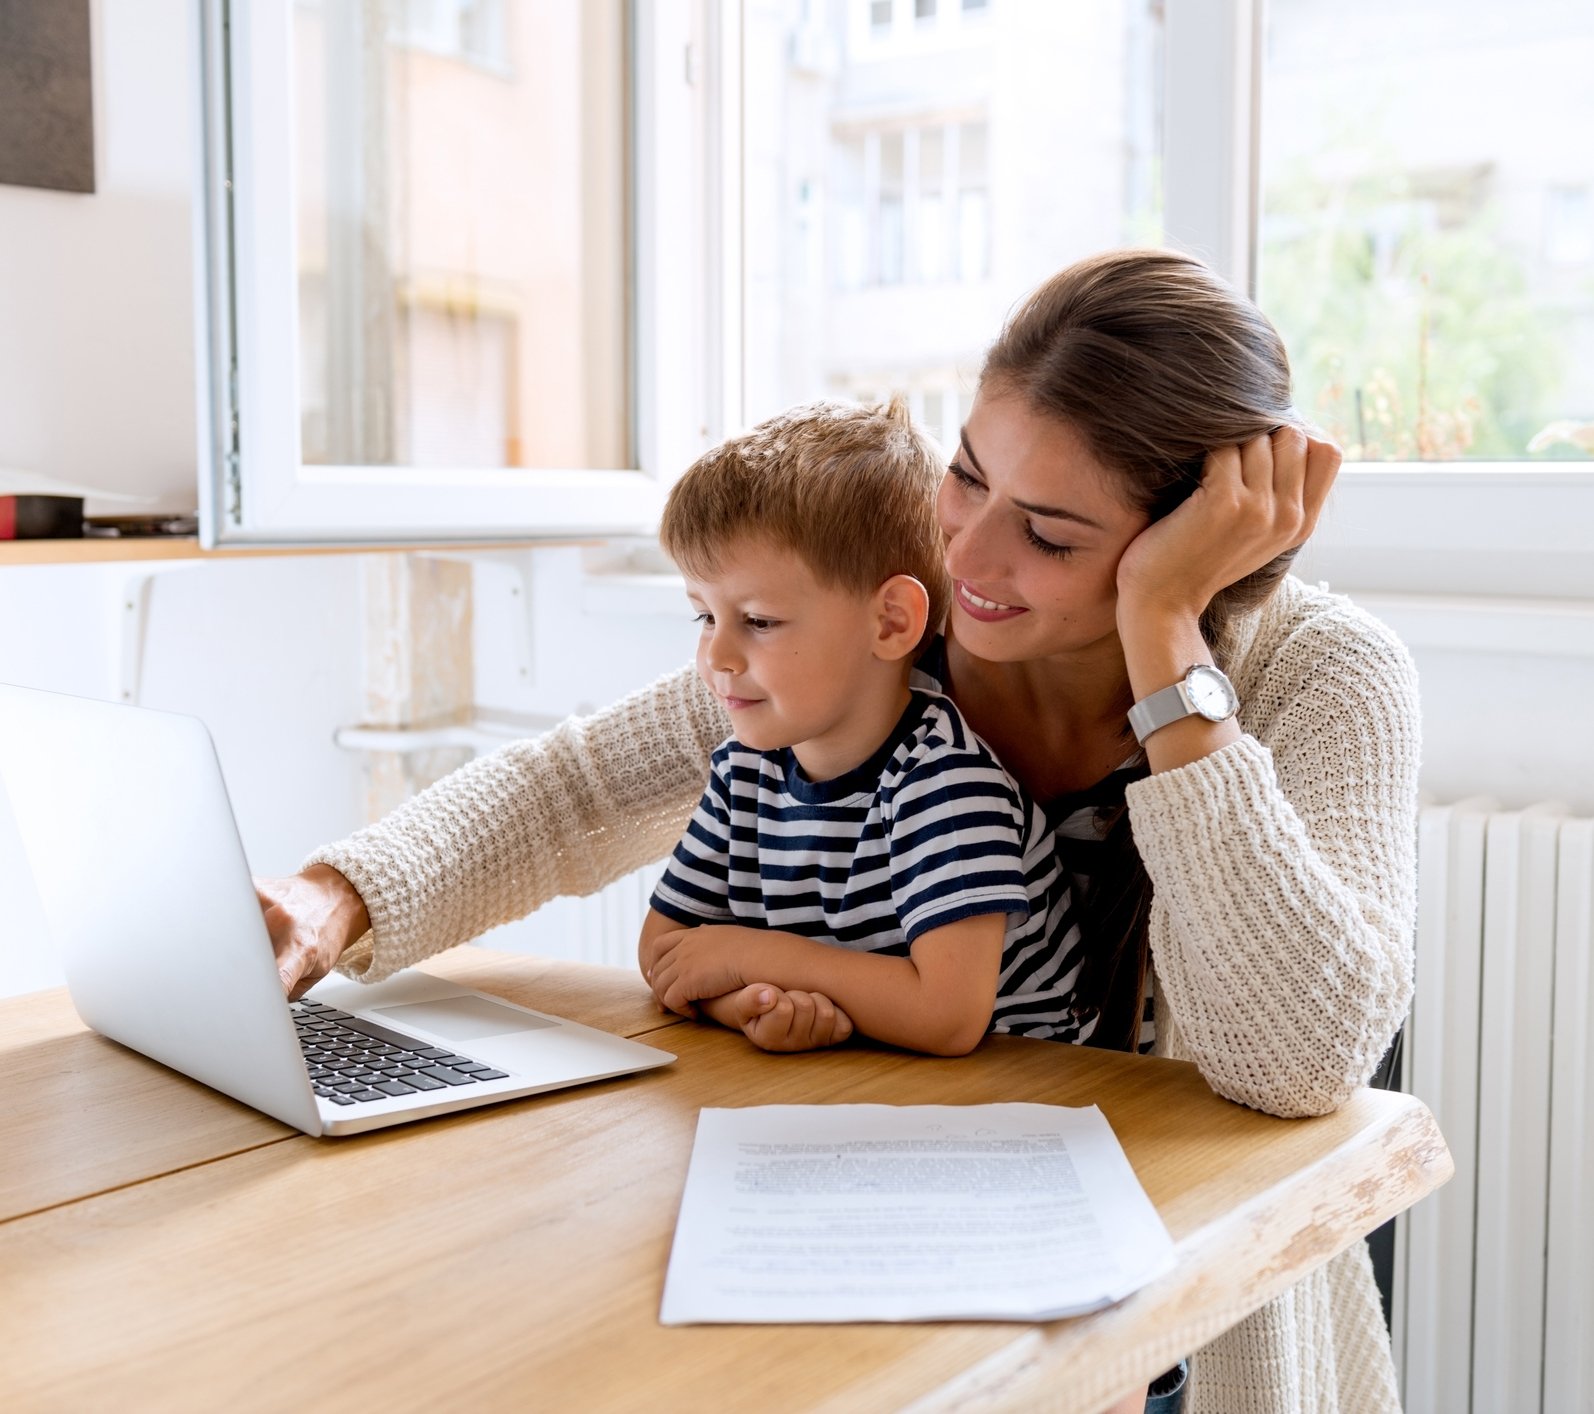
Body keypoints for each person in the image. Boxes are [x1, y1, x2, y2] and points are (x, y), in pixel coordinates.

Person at [257, 248, 1420, 1414]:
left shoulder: (1321, 676)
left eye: (1051, 536)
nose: (965, 556)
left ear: (1200, 541)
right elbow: (578, 788)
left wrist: (1165, 636)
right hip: (887, 1261)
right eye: (966, 478)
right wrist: (330, 899)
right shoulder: (890, 627)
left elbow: (1296, 1062)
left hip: (1165, 1346)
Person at [639, 398, 1073, 1056]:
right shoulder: (743, 773)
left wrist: (752, 955)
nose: (716, 657)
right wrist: (747, 1001)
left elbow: (947, 1016)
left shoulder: (947, 787)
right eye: (704, 616)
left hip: (1023, 1105)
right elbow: (668, 952)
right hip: (872, 1090)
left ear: (891, 622)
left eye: (757, 620)